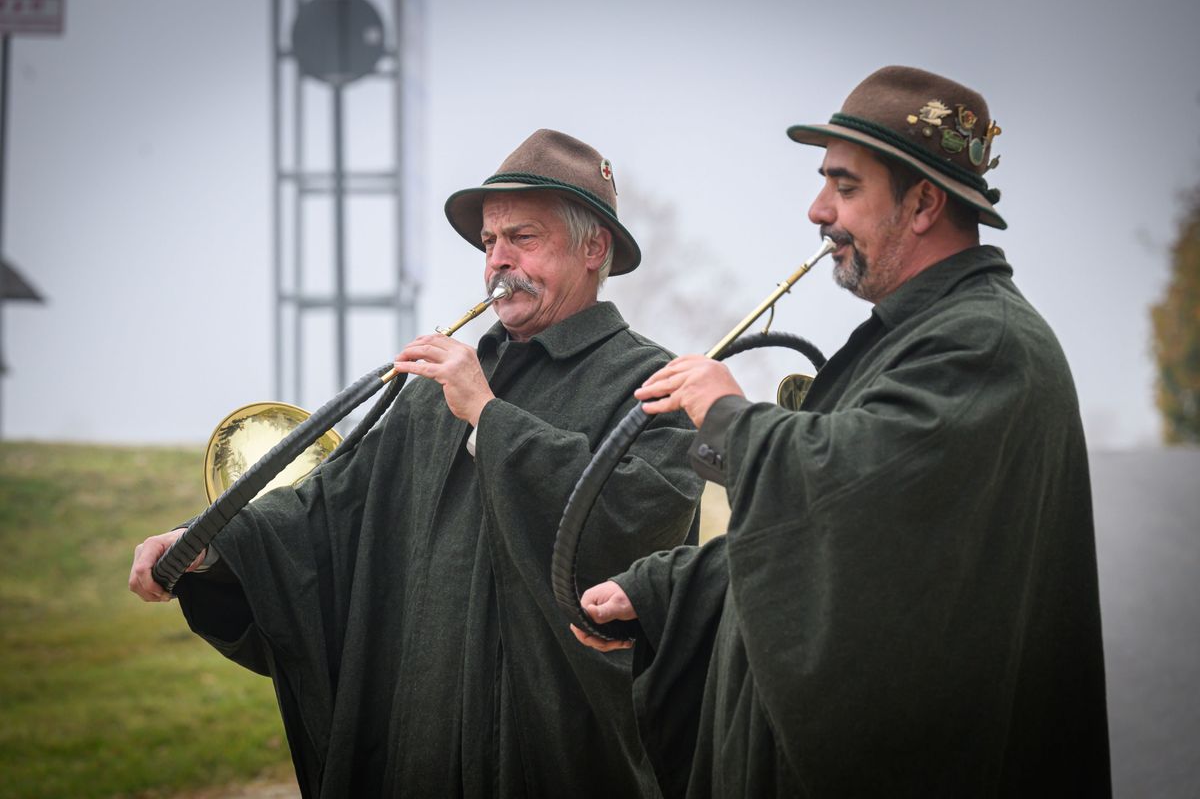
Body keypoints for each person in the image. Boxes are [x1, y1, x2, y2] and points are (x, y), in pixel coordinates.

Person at [574, 66, 1112, 796]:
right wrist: (667, 591)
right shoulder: (919, 333)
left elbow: (851, 495)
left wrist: (729, 413)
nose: (817, 210)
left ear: (923, 203)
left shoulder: (986, 343)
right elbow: (837, 542)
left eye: (845, 186)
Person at [129, 129, 704, 797]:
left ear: (592, 247)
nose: (498, 261)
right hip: (415, 744)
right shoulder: (435, 389)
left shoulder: (653, 381)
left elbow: (640, 527)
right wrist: (206, 546)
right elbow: (329, 512)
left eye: (523, 238)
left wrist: (491, 419)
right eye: (489, 243)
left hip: (559, 758)